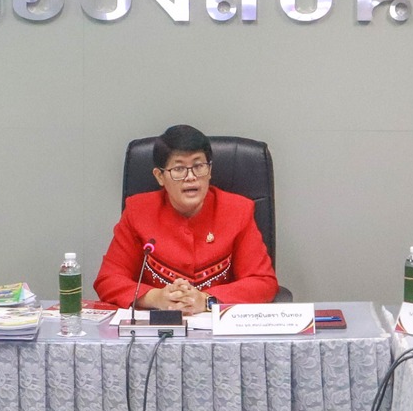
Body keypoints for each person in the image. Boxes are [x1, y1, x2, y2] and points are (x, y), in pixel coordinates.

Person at [94, 124, 277, 313]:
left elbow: (263, 282)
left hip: (216, 324)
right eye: (179, 168)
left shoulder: (237, 211)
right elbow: (108, 279)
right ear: (160, 176)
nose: (190, 177)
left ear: (210, 170)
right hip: (159, 324)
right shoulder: (138, 211)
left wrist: (206, 300)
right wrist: (155, 298)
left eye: (198, 166)